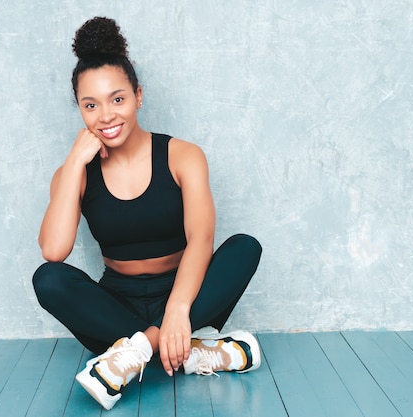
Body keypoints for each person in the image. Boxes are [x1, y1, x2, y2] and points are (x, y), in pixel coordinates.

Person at [32, 16, 262, 411]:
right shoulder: (75, 174)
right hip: (115, 309)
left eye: (117, 99)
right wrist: (73, 163)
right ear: (80, 111)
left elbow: (202, 239)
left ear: (138, 96)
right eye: (91, 105)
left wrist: (177, 309)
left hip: (187, 295)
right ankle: (198, 352)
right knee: (48, 279)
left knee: (244, 247)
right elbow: (54, 251)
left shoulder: (183, 156)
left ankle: (138, 351)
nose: (106, 116)